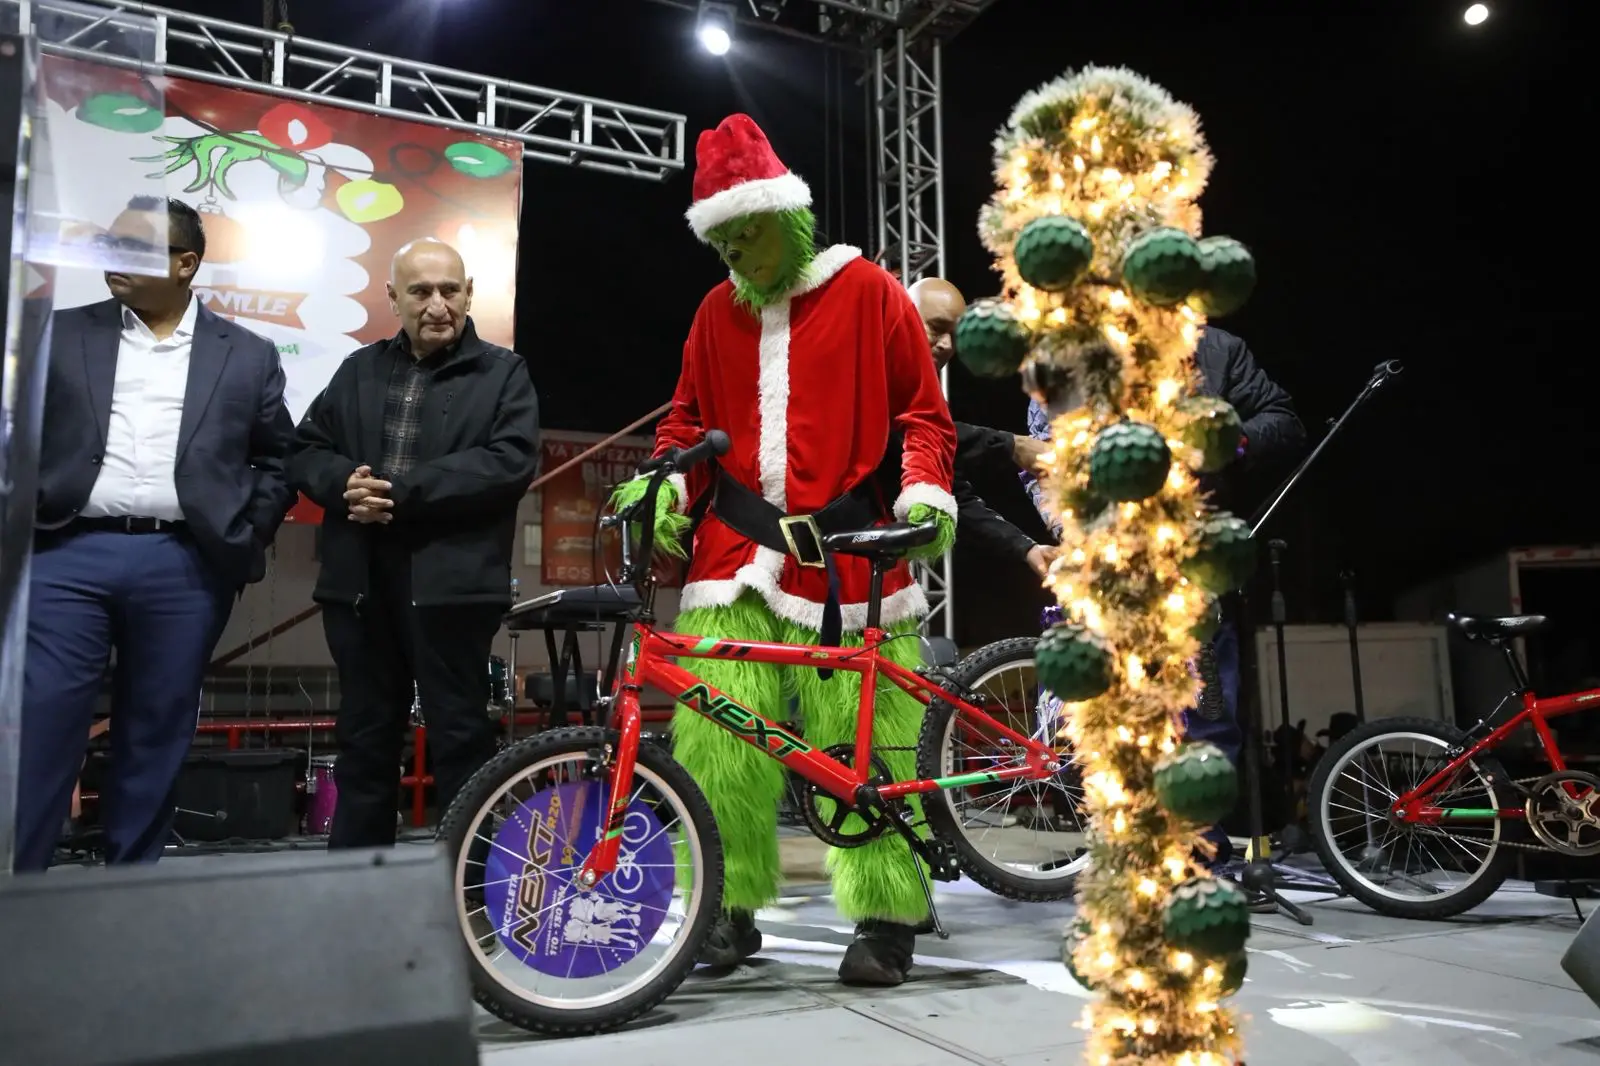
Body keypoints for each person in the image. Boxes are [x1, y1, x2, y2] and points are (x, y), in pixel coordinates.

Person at [614, 113, 957, 986]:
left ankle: (888, 913)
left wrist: (923, 492)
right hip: (733, 560)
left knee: (867, 744)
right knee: (717, 744)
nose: (735, 253)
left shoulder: (870, 291)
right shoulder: (712, 313)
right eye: (720, 241)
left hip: (851, 555)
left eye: (747, 233)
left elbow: (924, 414)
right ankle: (723, 906)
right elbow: (686, 422)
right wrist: (663, 489)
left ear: (787, 216)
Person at [15, 194, 295, 872]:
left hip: (185, 563)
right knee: (42, 725)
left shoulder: (247, 354)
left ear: (184, 264)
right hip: (66, 553)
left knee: (156, 732)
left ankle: (129, 892)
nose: (112, 259)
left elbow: (279, 459)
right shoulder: (57, 331)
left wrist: (244, 533)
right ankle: (17, 888)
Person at [287, 238, 540, 849]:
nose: (437, 305)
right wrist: (344, 485)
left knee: (461, 737)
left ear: (469, 294)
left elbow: (509, 461)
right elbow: (305, 448)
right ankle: (359, 881)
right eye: (421, 291)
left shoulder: (504, 373)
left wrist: (400, 491)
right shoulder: (358, 369)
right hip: (359, 585)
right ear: (393, 297)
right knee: (365, 738)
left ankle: (465, 883)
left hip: (454, 589)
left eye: (449, 290)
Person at [1025, 325, 1305, 866]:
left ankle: (1195, 857)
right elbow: (1036, 455)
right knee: (1105, 715)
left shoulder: (1219, 348)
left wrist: (1228, 441)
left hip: (1192, 563)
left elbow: (1283, 421)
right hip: (1105, 565)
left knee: (1204, 717)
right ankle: (1125, 852)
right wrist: (1069, 527)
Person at [907, 277, 1055, 579]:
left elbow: (954, 492)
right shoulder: (865, 369)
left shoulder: (931, 401)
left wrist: (1027, 549)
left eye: (954, 335)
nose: (947, 345)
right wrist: (1012, 445)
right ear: (903, 316)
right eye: (936, 327)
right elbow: (900, 434)